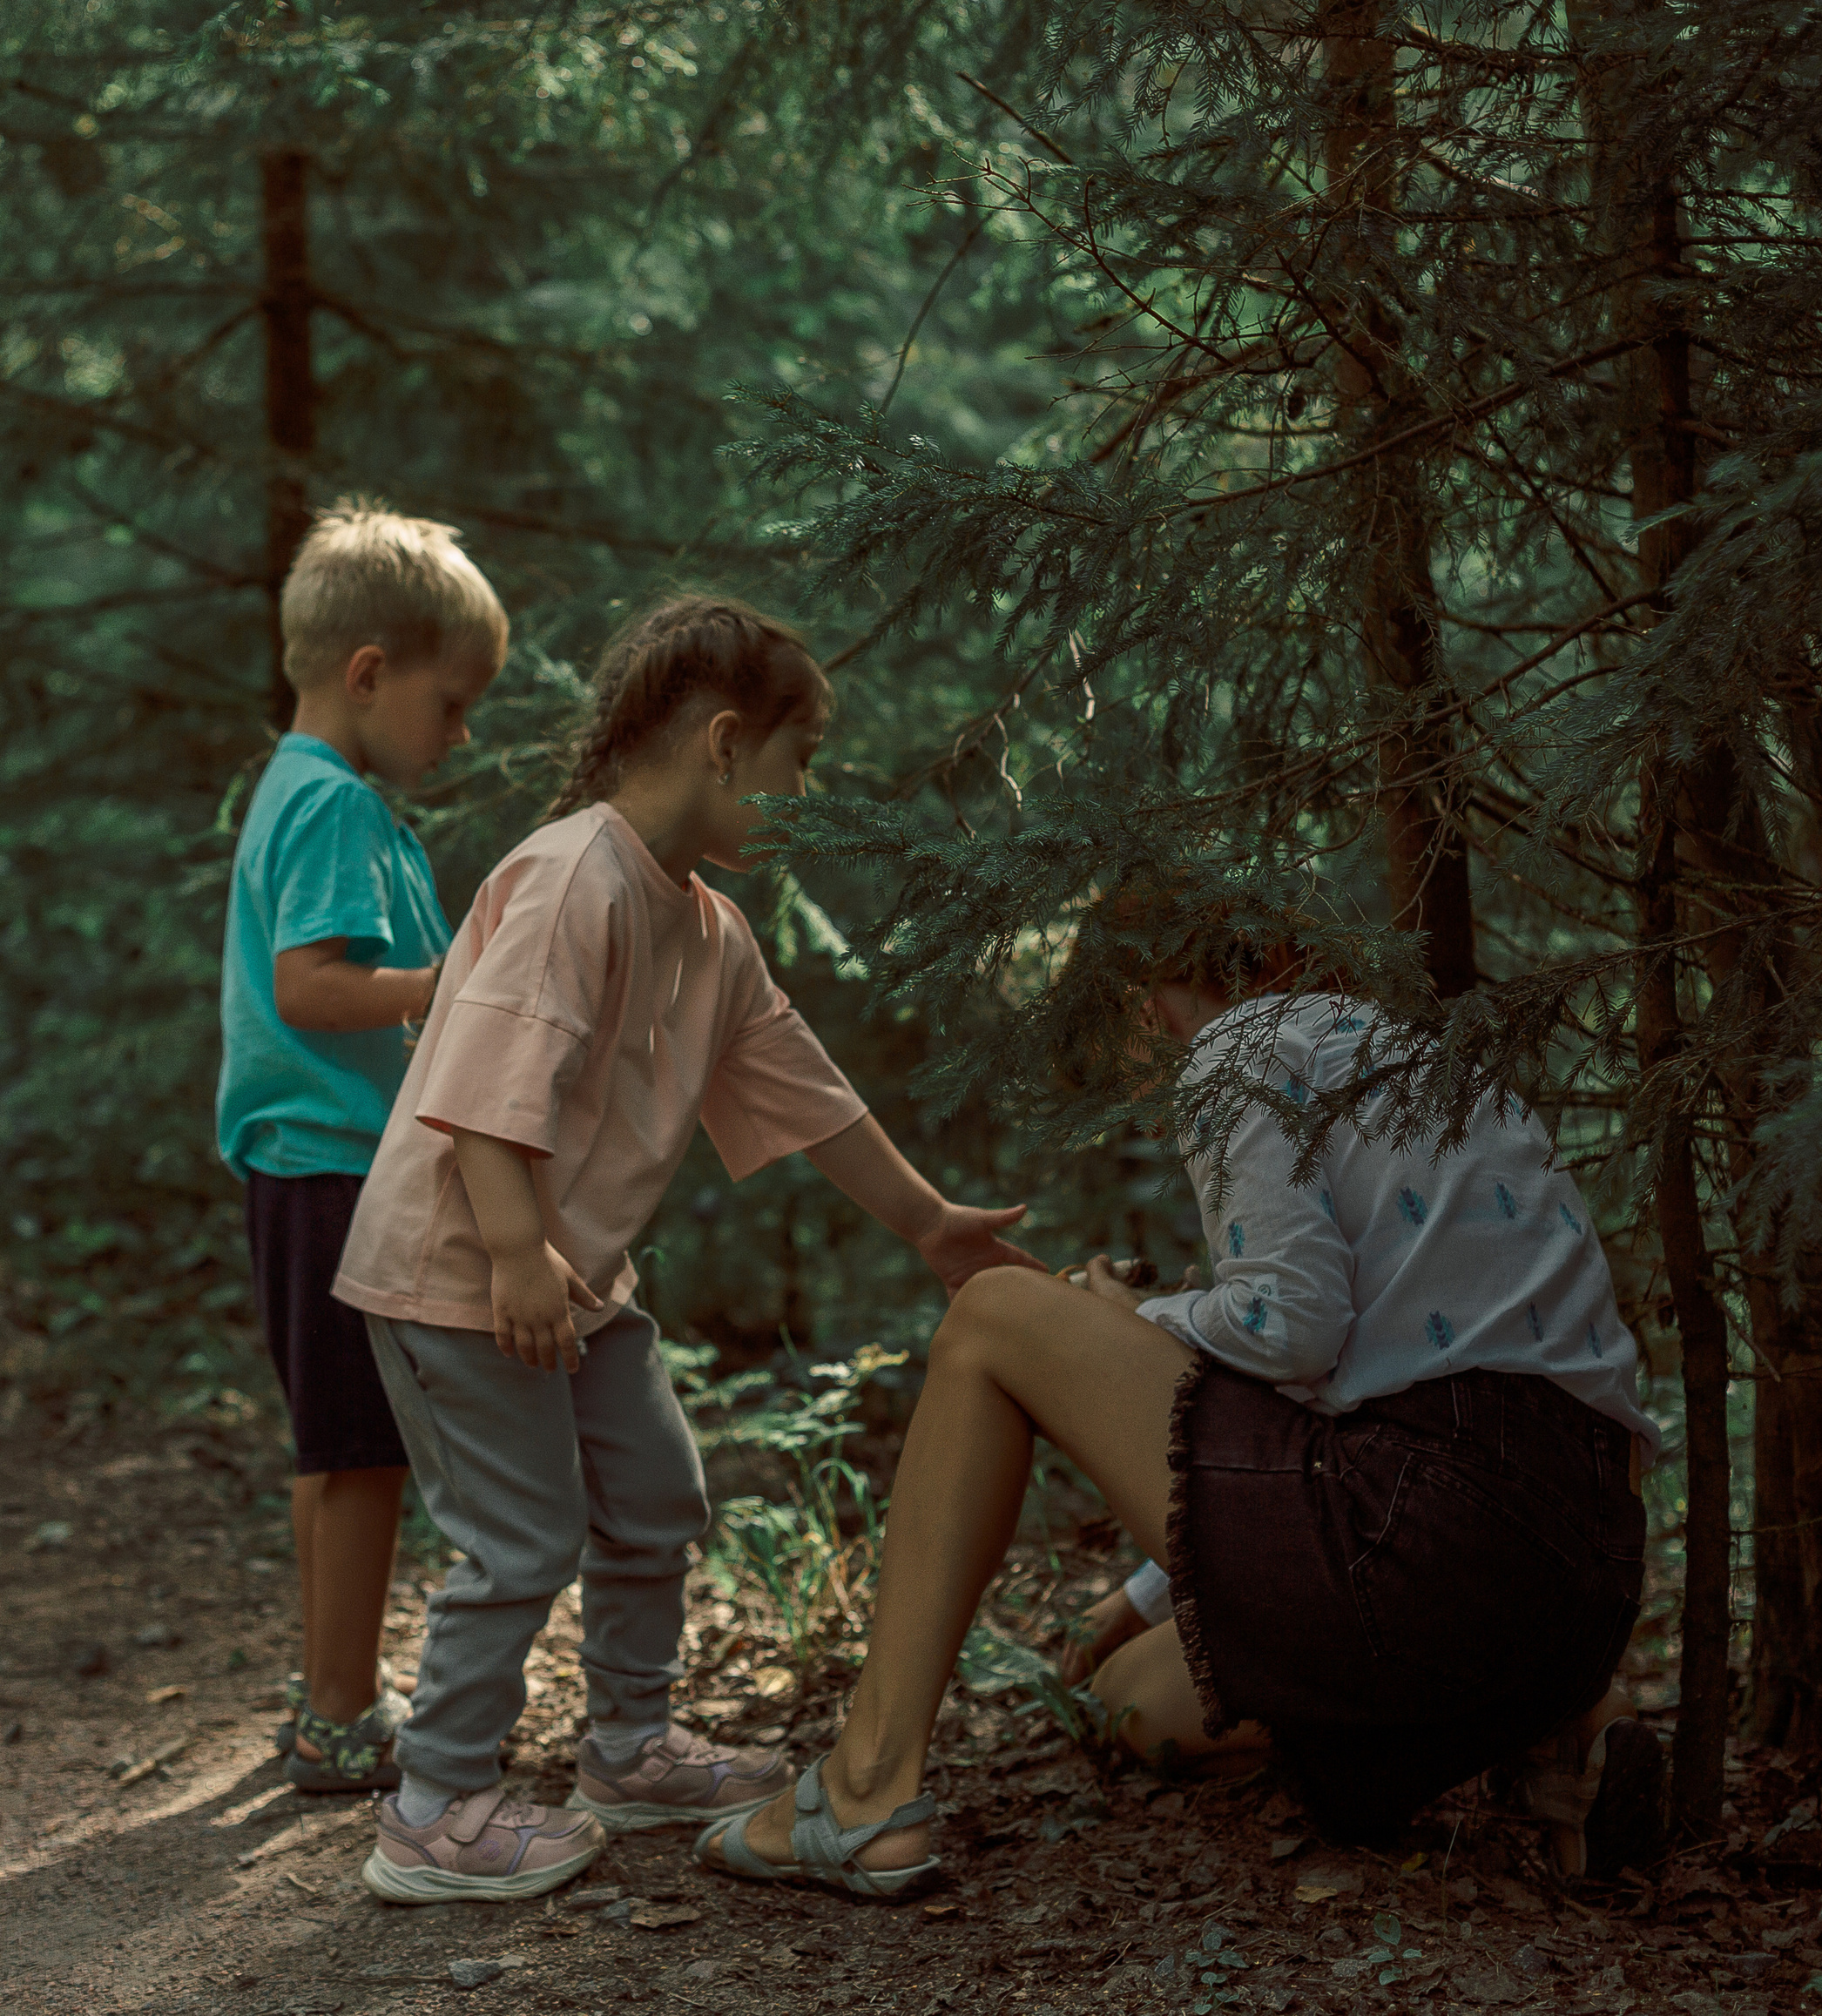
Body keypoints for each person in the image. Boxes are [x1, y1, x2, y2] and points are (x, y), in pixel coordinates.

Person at [692, 917, 1663, 1898]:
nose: (1155, 1113)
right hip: (1579, 1595)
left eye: (1133, 1080)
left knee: (991, 1313)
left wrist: (1134, 1315)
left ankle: (863, 1789)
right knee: (1135, 1700)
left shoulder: (1236, 1046)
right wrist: (1140, 1598)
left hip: (1429, 1543)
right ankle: (1555, 1736)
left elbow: (1291, 1329)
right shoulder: (1418, 1062)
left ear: (1136, 1002)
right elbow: (1358, 1394)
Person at [329, 597, 1041, 1904]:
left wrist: (928, 1219)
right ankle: (432, 1807)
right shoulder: (570, 878)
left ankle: (628, 1745)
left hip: (576, 1284)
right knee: (521, 1539)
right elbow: (482, 1086)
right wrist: (516, 1252)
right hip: (459, 1273)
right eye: (797, 760)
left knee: (656, 1488)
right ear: (724, 743)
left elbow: (807, 1090)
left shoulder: (709, 928)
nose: (803, 793)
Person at [216, 504, 508, 1793]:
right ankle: (340, 1716)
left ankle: (329, 1686)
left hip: (306, 1165)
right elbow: (309, 986)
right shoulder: (333, 804)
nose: (463, 732)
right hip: (331, 1165)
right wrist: (442, 986)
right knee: (362, 1446)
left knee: (331, 1443)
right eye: (453, 703)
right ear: (370, 672)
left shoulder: (308, 789)